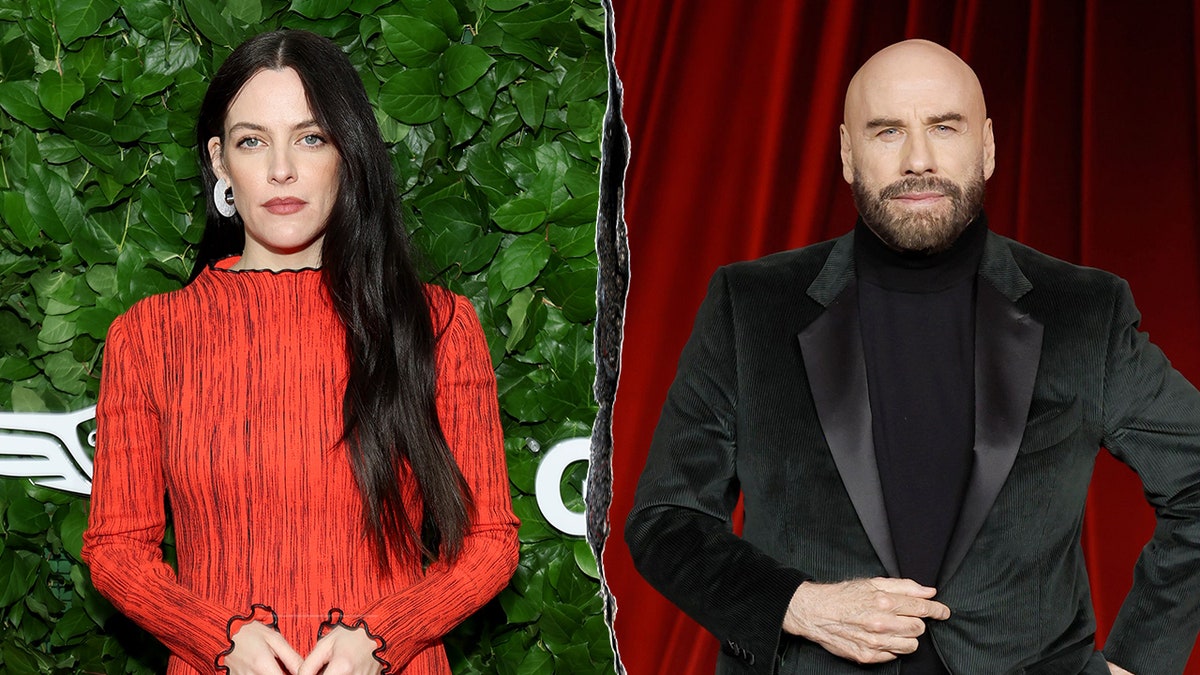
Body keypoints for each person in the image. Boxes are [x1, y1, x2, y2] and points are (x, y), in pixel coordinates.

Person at [625, 39, 1200, 675]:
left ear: (986, 146)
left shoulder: (1084, 310)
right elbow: (665, 521)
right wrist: (797, 605)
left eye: (943, 127)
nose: (918, 158)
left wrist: (1139, 665)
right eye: (887, 130)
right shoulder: (753, 305)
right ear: (847, 154)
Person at [82, 30, 519, 675]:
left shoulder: (436, 324)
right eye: (251, 141)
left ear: (347, 154)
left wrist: (383, 639)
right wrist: (218, 641)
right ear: (220, 162)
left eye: (311, 138)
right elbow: (117, 547)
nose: (281, 168)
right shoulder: (150, 336)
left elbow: (490, 542)